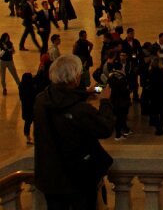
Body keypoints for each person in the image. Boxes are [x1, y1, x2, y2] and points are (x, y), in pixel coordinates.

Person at [33, 55, 114, 209]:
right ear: (75, 78)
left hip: (50, 180)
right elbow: (105, 128)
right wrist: (105, 102)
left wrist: (85, 93)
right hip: (77, 180)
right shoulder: (80, 110)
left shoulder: (41, 100)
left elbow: (61, 100)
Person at [18, 72, 38, 145]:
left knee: (27, 123)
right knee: (36, 123)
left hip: (26, 109)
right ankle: (35, 137)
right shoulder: (32, 88)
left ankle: (27, 136)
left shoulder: (21, 86)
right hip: (32, 108)